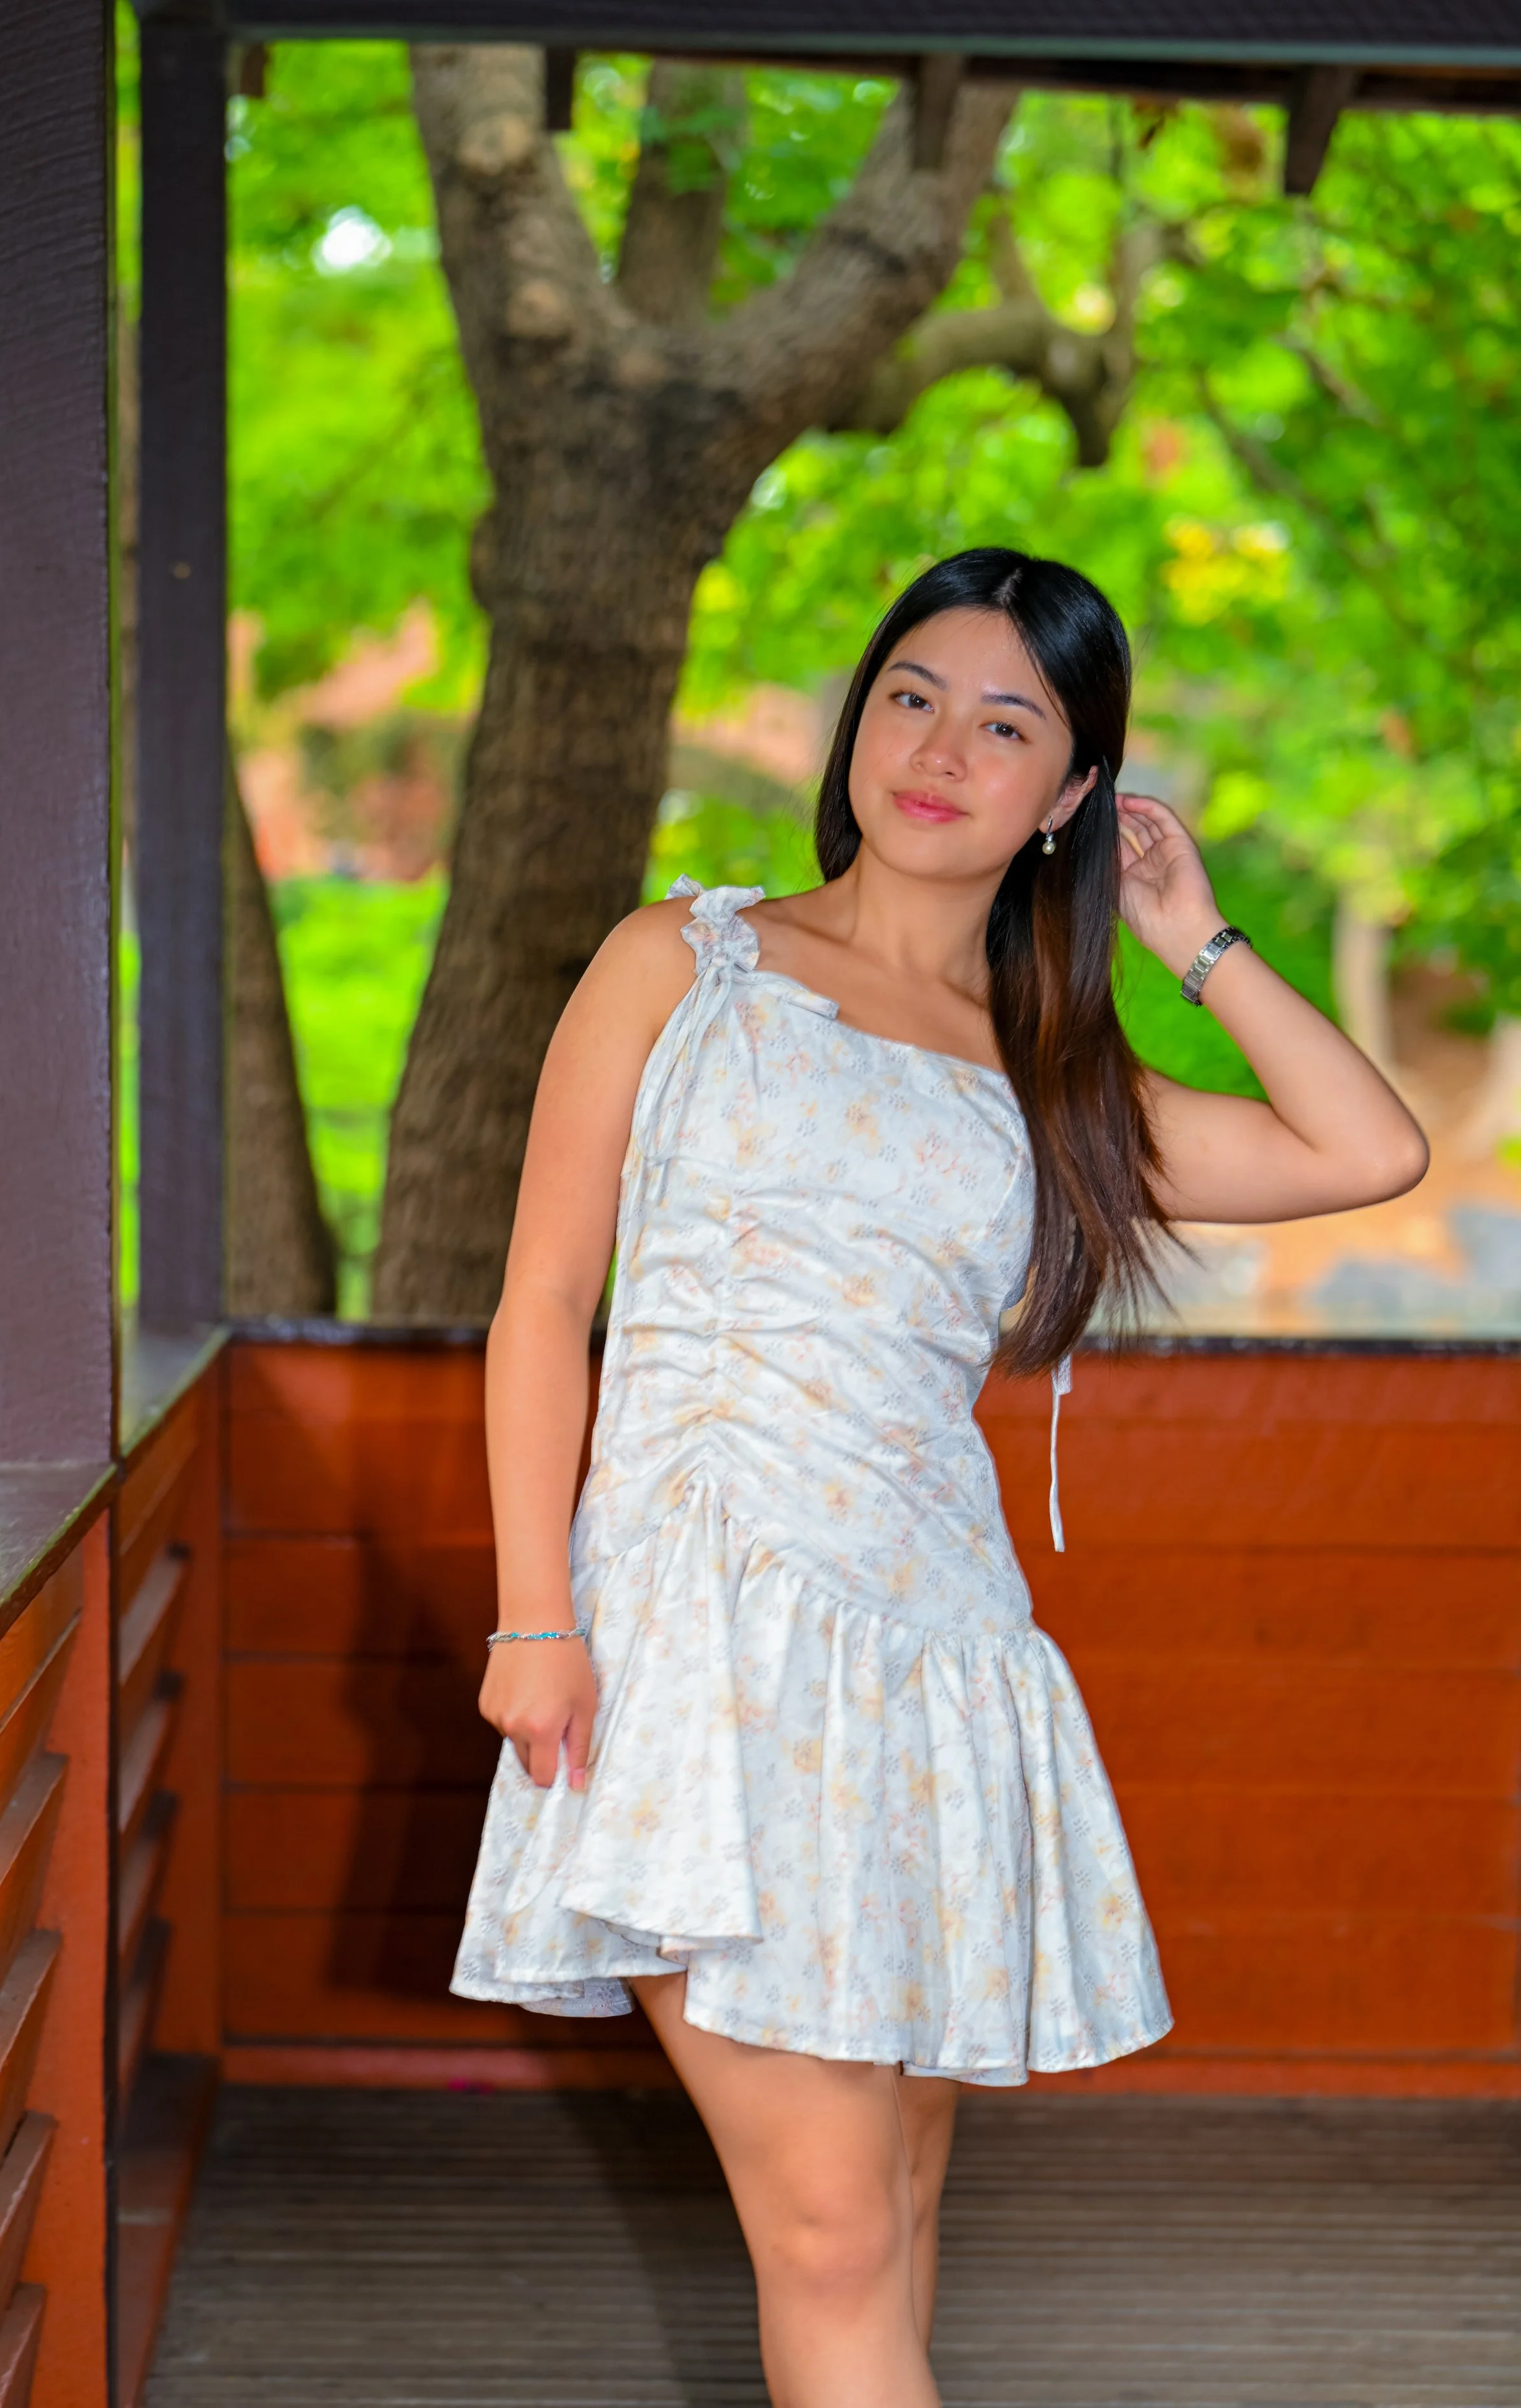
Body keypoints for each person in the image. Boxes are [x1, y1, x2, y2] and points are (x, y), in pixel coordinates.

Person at [452, 548, 1428, 2407]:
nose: (939, 748)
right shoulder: (685, 959)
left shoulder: (1058, 1078)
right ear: (856, 717)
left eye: (1007, 725)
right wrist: (533, 1613)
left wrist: (1189, 935)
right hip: (693, 1643)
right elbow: (540, 1304)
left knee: (886, 2216)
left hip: (932, 1670)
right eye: (912, 694)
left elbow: (1363, 1146)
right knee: (824, 2228)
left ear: (1070, 793)